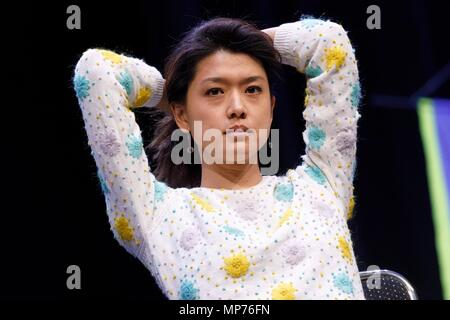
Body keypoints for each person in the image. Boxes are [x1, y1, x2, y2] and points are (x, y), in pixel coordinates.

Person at [73, 16, 363, 299]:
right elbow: (97, 71)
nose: (237, 107)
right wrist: (174, 94)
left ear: (271, 108)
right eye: (215, 91)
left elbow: (328, 43)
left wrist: (237, 41)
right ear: (181, 115)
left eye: (252, 90)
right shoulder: (156, 215)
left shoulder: (322, 183)